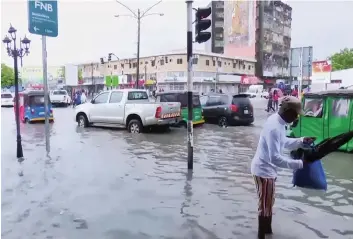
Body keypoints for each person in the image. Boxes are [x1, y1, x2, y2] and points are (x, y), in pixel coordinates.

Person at [251, 96, 315, 239]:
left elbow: (283, 142)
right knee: (265, 208)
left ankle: (268, 233)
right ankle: (262, 235)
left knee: (268, 204)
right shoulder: (274, 127)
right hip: (264, 171)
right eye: (295, 114)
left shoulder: (278, 122)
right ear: (286, 111)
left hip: (268, 169)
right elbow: (275, 158)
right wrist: (299, 164)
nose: (296, 117)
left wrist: (300, 140)